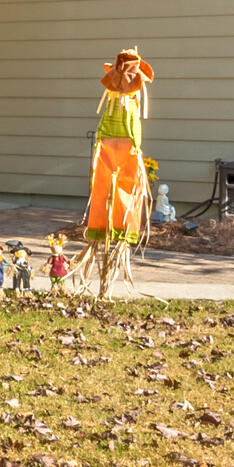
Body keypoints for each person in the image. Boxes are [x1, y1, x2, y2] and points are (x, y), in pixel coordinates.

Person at [82, 48, 157, 297]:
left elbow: (133, 132)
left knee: (121, 201)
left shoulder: (128, 103)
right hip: (110, 152)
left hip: (122, 153)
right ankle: (104, 252)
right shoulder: (118, 101)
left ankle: (117, 245)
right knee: (104, 197)